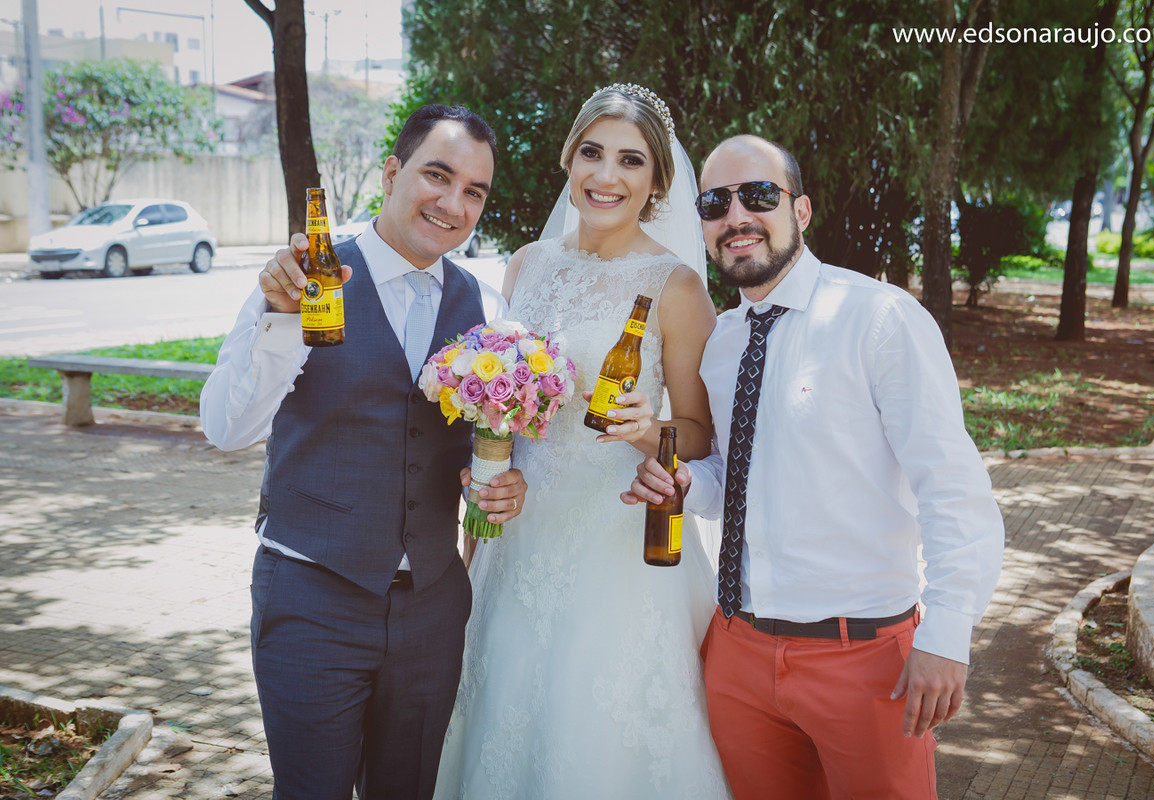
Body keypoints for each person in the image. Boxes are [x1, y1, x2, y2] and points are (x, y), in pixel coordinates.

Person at [623, 134, 1006, 799]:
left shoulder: (880, 319)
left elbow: (953, 487)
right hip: (737, 655)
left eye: (759, 195)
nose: (736, 216)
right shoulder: (722, 343)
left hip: (862, 658)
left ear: (800, 211)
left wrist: (946, 636)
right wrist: (689, 483)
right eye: (715, 203)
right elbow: (733, 477)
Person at [200, 105, 528, 800]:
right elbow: (226, 429)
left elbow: (483, 441)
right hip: (312, 597)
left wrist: (502, 481)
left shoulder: (487, 309)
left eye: (474, 191)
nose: (453, 203)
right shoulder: (302, 279)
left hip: (434, 607)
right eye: (437, 176)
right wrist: (281, 322)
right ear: (392, 172)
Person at [434, 85, 731, 799]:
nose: (607, 175)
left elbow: (699, 435)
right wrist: (484, 486)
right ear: (569, 158)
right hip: (519, 536)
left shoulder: (676, 284)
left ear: (656, 181)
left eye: (631, 160)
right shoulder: (526, 265)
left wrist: (648, 431)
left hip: (618, 544)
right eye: (592, 152)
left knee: (596, 739)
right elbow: (504, 409)